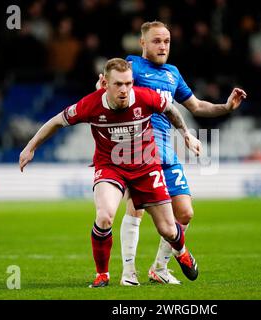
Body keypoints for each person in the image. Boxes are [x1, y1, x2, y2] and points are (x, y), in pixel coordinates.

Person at [19, 58, 202, 288]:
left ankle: (181, 251)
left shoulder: (145, 97)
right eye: (118, 84)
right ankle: (102, 275)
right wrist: (30, 147)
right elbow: (57, 121)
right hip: (110, 166)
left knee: (167, 229)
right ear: (104, 83)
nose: (124, 89)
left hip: (146, 166)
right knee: (105, 216)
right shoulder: (91, 105)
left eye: (128, 83)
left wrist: (186, 134)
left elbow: (171, 110)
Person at [98, 21, 247, 286]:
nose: (163, 46)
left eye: (166, 41)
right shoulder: (131, 65)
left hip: (166, 151)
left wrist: (226, 107)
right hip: (137, 150)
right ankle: (128, 273)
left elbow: (197, 106)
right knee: (136, 209)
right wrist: (100, 86)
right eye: (156, 41)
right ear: (143, 43)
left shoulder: (172, 74)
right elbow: (109, 86)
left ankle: (159, 268)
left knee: (185, 213)